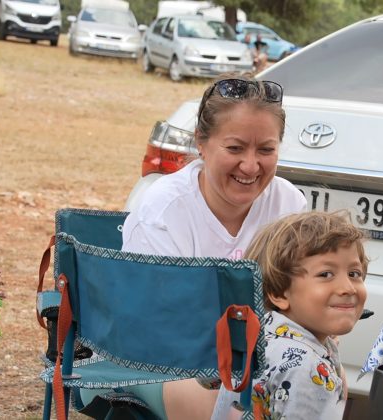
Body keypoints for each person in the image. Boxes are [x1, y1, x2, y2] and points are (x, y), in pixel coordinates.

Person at [112, 74, 307, 419]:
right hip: (160, 359)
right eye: (234, 148)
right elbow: (158, 324)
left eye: (266, 149)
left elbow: (303, 300)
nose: (250, 165)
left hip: (252, 358)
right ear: (201, 143)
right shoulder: (165, 209)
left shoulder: (288, 203)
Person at [217, 211, 368, 419]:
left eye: (354, 274)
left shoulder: (256, 336)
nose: (348, 288)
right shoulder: (308, 369)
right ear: (279, 293)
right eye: (325, 274)